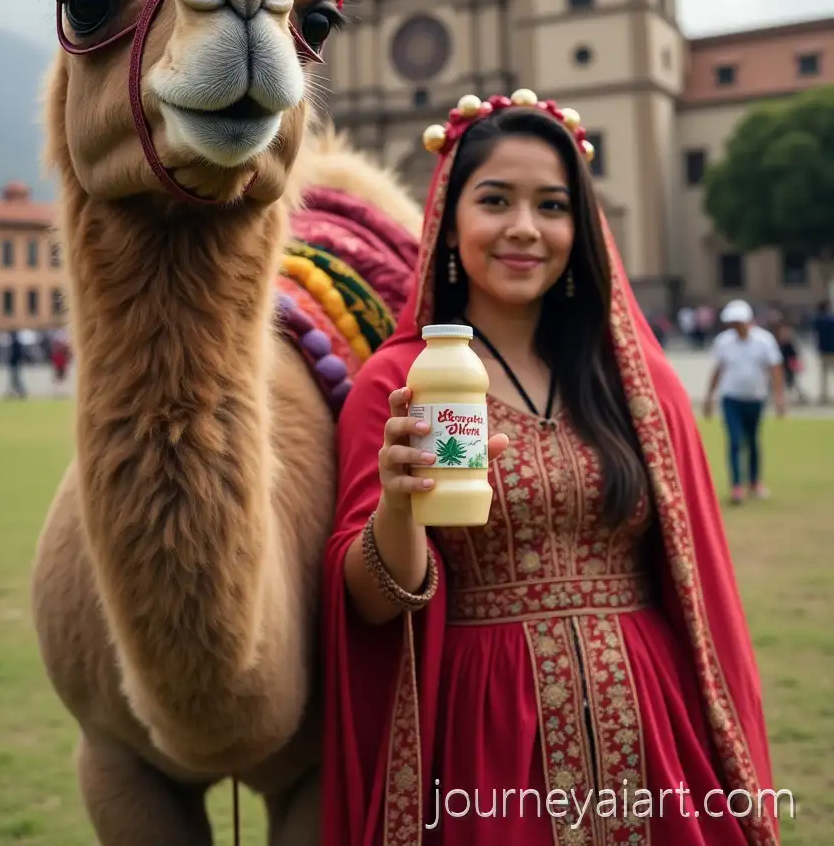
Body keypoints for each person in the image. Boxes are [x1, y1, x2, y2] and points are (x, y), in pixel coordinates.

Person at [320, 91, 778, 845]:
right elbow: (371, 607)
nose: (525, 229)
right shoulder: (403, 382)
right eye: (495, 200)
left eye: (552, 205)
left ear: (582, 226)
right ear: (447, 221)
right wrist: (398, 511)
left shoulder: (629, 380)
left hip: (651, 719)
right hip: (486, 733)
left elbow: (696, 587)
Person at [703, 301, 785, 505]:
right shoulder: (723, 342)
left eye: (738, 322)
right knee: (735, 439)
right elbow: (718, 370)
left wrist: (779, 397)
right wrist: (709, 397)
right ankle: (736, 486)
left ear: (748, 321)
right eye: (732, 323)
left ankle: (755, 482)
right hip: (731, 398)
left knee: (752, 440)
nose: (735, 327)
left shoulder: (764, 340)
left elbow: (775, 369)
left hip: (755, 398)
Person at [813, 299, 834, 405]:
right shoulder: (831, 320)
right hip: (832, 349)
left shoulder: (818, 320)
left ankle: (824, 396)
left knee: (824, 374)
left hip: (823, 349)